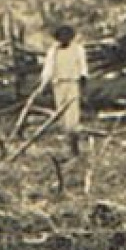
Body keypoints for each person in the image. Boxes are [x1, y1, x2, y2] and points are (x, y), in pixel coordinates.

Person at [38, 23, 89, 155]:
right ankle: (66, 140)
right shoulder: (53, 51)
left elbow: (83, 68)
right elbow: (48, 69)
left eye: (67, 35)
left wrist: (83, 82)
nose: (64, 38)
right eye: (62, 36)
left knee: (73, 112)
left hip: (72, 83)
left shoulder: (78, 49)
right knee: (61, 111)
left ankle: (74, 140)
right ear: (58, 37)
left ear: (71, 37)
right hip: (58, 84)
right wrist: (44, 85)